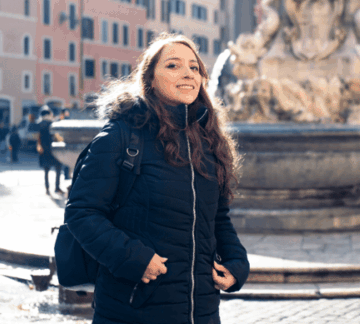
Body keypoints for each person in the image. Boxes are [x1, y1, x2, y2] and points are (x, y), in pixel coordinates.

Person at [65, 33, 249, 324]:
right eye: (173, 66)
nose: (188, 73)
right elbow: (81, 213)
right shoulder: (120, 135)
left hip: (201, 311)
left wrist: (237, 262)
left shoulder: (209, 142)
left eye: (195, 67)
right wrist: (133, 258)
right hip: (133, 309)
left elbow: (219, 218)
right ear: (149, 79)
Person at [33, 106, 63, 195]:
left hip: (43, 149)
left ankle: (47, 189)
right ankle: (57, 187)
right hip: (53, 149)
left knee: (46, 170)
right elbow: (57, 136)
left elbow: (37, 137)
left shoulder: (39, 124)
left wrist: (39, 146)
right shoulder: (52, 123)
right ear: (49, 114)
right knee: (58, 167)